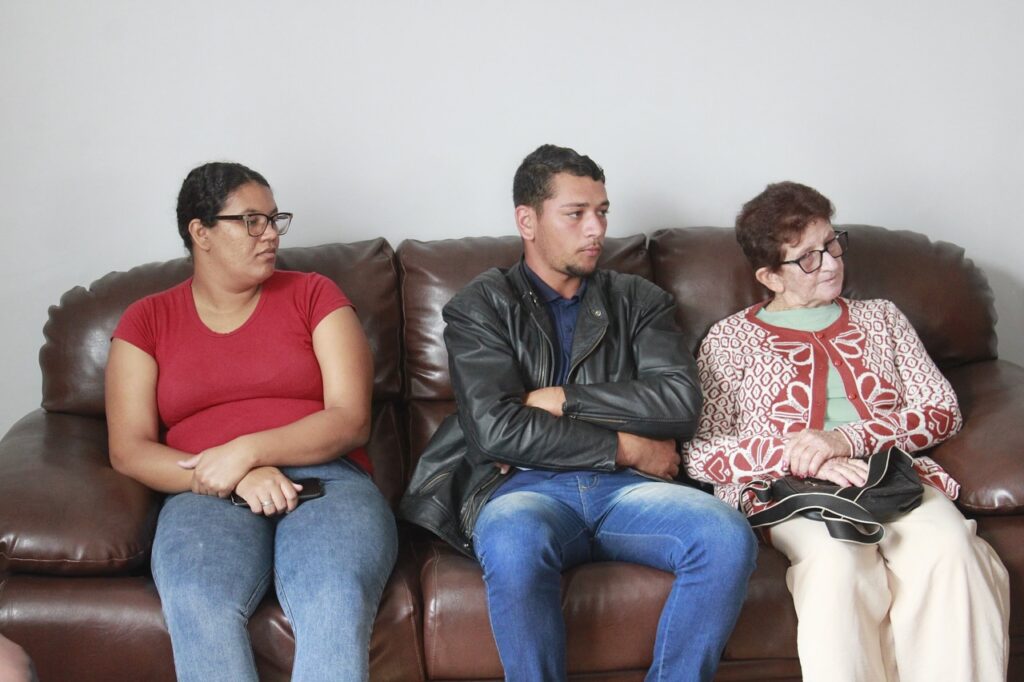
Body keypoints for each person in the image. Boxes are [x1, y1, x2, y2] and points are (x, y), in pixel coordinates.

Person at [400, 144, 757, 682]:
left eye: (602, 212)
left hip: (631, 493)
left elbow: (679, 403)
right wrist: (625, 446)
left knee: (725, 536)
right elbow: (496, 430)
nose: (597, 229)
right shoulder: (482, 305)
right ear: (527, 221)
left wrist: (562, 399)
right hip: (525, 491)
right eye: (576, 214)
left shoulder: (638, 300)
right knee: (512, 541)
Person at [682, 181, 1010, 682]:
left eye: (832, 243)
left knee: (951, 551)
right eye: (807, 258)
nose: (831, 263)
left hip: (892, 475)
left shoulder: (883, 319)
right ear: (769, 276)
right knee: (837, 562)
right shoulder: (731, 339)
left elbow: (941, 410)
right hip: (788, 489)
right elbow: (701, 452)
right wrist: (798, 453)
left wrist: (845, 439)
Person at [105, 162, 397, 682]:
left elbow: (350, 419)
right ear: (201, 232)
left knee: (332, 592)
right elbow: (129, 449)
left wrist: (249, 450)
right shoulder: (146, 320)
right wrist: (232, 473)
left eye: (274, 220)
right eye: (251, 221)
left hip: (328, 482)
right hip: (203, 493)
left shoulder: (314, 294)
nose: (271, 235)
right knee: (197, 597)